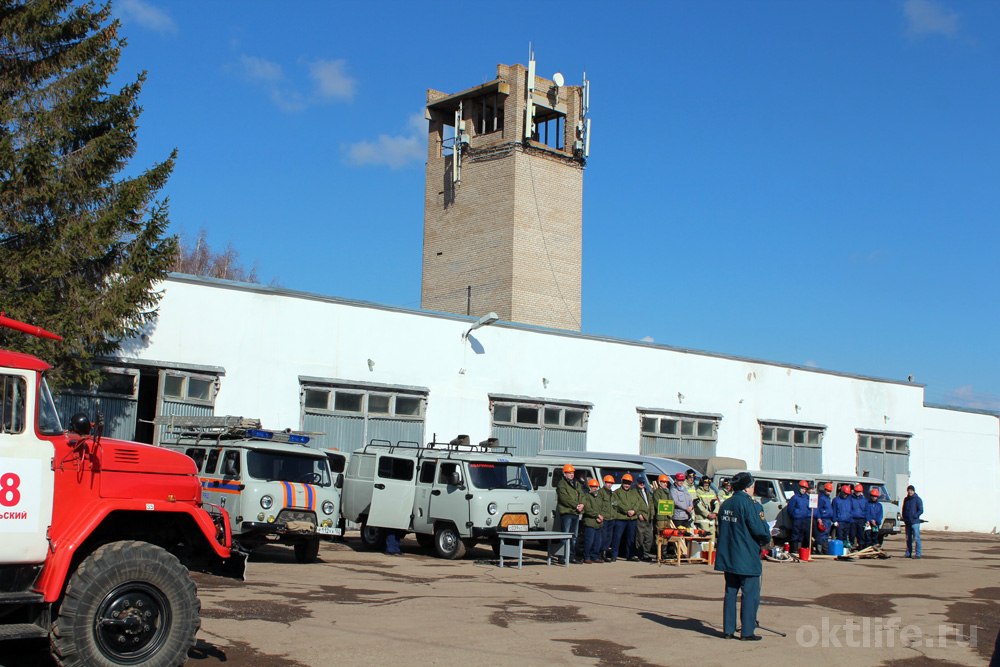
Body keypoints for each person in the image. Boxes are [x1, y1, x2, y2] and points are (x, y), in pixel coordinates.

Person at [715, 471, 771, 641]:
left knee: (730, 592)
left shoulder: (725, 505)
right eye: (752, 485)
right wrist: (767, 536)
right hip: (746, 556)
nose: (753, 489)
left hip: (729, 555)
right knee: (750, 594)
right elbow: (760, 530)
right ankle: (747, 631)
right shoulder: (751, 505)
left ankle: (728, 630)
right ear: (747, 488)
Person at [555, 463, 585, 564]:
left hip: (576, 513)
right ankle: (562, 556)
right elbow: (564, 498)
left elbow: (582, 495)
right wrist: (576, 505)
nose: (571, 474)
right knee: (565, 536)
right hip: (567, 513)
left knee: (574, 537)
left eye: (572, 472)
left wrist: (582, 504)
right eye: (569, 472)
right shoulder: (561, 484)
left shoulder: (577, 483)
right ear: (564, 473)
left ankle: (571, 556)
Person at [613, 473, 641, 561]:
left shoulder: (634, 493)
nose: (626, 485)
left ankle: (630, 555)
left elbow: (638, 503)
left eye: (628, 483)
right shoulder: (617, 492)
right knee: (617, 537)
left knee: (631, 538)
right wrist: (626, 511)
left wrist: (634, 511)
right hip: (620, 518)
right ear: (622, 482)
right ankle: (614, 555)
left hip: (632, 519)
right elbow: (615, 503)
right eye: (625, 482)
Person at [581, 478, 608, 563]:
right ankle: (586, 557)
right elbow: (587, 509)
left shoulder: (599, 497)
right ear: (589, 487)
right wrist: (597, 515)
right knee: (589, 541)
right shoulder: (586, 496)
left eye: (596, 487)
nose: (594, 488)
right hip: (590, 522)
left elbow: (603, 507)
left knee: (598, 541)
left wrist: (601, 516)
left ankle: (595, 556)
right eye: (593, 487)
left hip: (598, 523)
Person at [633, 476, 656, 561]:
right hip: (641, 518)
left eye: (643, 483)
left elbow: (651, 503)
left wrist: (652, 514)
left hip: (649, 518)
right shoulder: (634, 492)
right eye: (640, 483)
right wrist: (638, 514)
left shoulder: (647, 492)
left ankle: (646, 554)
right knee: (640, 537)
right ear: (637, 483)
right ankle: (639, 554)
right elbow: (634, 504)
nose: (642, 484)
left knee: (649, 537)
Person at [787, 480, 812, 554]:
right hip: (797, 519)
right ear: (799, 488)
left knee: (803, 536)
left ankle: (802, 550)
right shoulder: (794, 498)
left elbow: (811, 508)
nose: (803, 490)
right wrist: (794, 516)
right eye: (802, 488)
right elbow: (790, 509)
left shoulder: (807, 498)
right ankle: (794, 550)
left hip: (805, 519)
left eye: (805, 489)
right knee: (795, 535)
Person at [598, 475, 619, 562]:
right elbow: (598, 505)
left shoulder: (612, 493)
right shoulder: (601, 492)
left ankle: (604, 553)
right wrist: (599, 515)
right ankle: (600, 554)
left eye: (611, 483)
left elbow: (615, 505)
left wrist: (614, 515)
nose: (609, 484)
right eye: (608, 483)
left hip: (611, 518)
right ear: (604, 482)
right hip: (604, 518)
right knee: (602, 537)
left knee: (609, 537)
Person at [902, 484, 923, 558]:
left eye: (911, 490)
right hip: (907, 522)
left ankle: (918, 553)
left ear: (914, 491)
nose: (910, 492)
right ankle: (908, 553)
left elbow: (921, 510)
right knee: (908, 538)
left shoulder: (917, 499)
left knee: (916, 538)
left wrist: (915, 516)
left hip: (915, 522)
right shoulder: (906, 499)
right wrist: (904, 518)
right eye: (909, 490)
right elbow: (903, 509)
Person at [814, 482, 834, 554]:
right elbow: (817, 509)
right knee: (821, 535)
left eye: (830, 491)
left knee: (826, 535)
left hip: (828, 519)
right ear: (824, 490)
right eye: (827, 491)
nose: (828, 492)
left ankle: (825, 550)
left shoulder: (828, 498)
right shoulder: (822, 498)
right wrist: (819, 518)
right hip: (823, 519)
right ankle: (819, 550)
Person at [850, 484, 867, 549]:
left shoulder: (864, 500)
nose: (857, 493)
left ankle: (861, 546)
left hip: (861, 519)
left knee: (861, 534)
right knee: (852, 533)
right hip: (853, 519)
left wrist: (866, 519)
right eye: (856, 491)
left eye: (859, 491)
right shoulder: (851, 499)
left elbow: (866, 510)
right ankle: (851, 545)